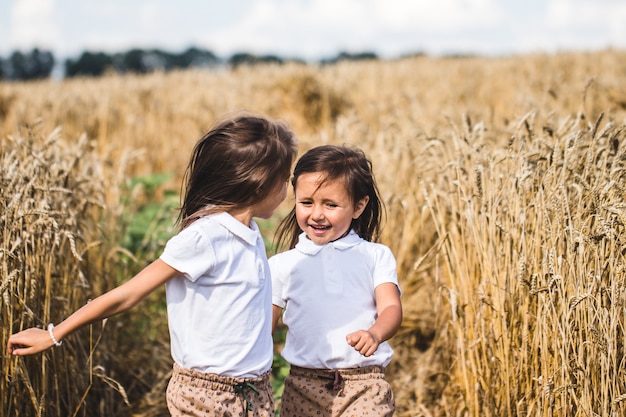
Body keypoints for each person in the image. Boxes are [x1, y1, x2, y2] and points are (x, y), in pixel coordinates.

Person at [8, 113, 299, 417]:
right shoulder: (205, 237)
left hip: (255, 391)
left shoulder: (250, 234)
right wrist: (54, 334)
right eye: (284, 180)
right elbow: (128, 293)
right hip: (207, 396)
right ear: (258, 186)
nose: (287, 191)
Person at [269, 144, 403, 417]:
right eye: (306, 203)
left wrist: (374, 333)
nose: (317, 214)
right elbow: (264, 326)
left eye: (330, 205)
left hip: (364, 382)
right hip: (302, 384)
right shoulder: (282, 265)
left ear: (358, 206)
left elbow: (391, 308)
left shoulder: (375, 256)